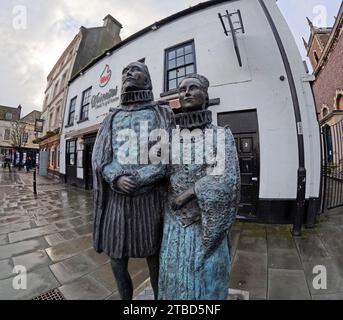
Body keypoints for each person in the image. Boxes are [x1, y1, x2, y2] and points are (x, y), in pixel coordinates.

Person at [92, 61, 175, 300]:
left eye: (135, 69)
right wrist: (115, 177)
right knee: (116, 261)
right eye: (125, 71)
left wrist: (139, 177)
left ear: (147, 80)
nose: (128, 73)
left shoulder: (161, 113)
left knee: (155, 259)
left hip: (148, 201)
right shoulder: (112, 117)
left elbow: (167, 160)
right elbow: (100, 159)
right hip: (116, 202)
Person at [158, 74, 240, 300]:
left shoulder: (221, 135)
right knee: (174, 274)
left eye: (193, 88)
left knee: (207, 275)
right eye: (182, 89)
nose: (186, 92)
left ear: (206, 96)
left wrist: (190, 193)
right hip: (174, 222)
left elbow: (226, 177)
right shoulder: (169, 137)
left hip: (204, 223)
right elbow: (159, 171)